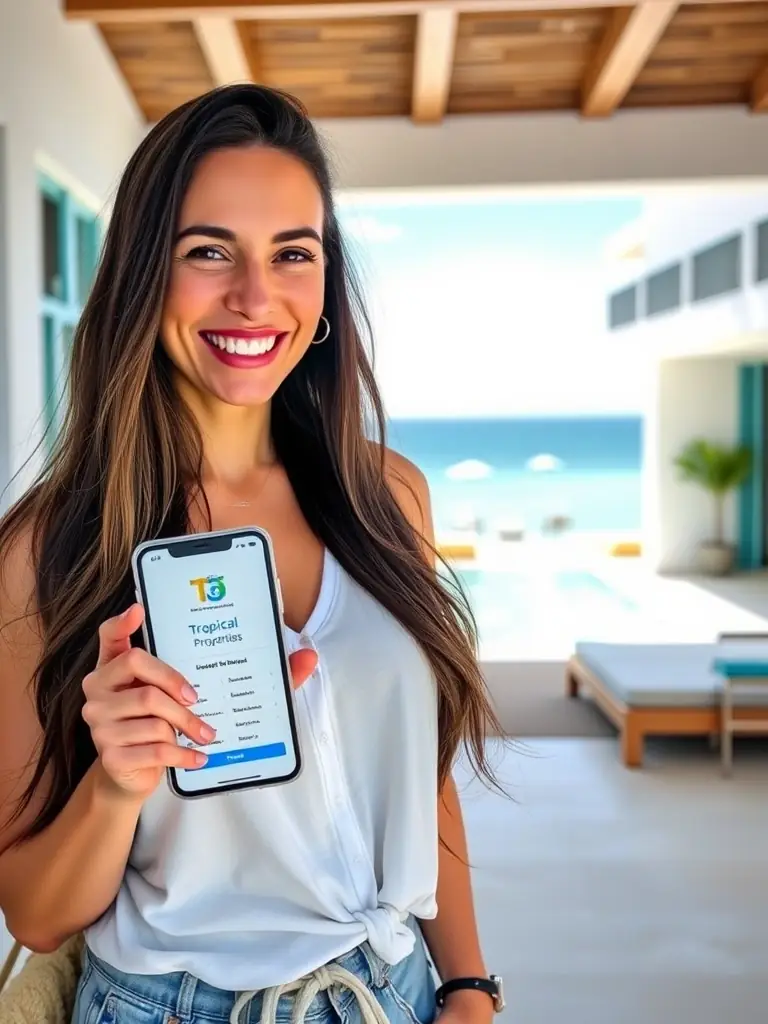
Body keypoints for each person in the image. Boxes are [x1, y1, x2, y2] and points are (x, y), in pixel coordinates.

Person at [0, 85, 503, 1024]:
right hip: (164, 1004)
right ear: (144, 275)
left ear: (323, 287)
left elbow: (419, 774)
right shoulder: (46, 548)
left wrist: (469, 986)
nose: (253, 295)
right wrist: (117, 782)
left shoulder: (388, 497)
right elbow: (34, 909)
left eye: (292, 254)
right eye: (208, 251)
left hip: (385, 994)